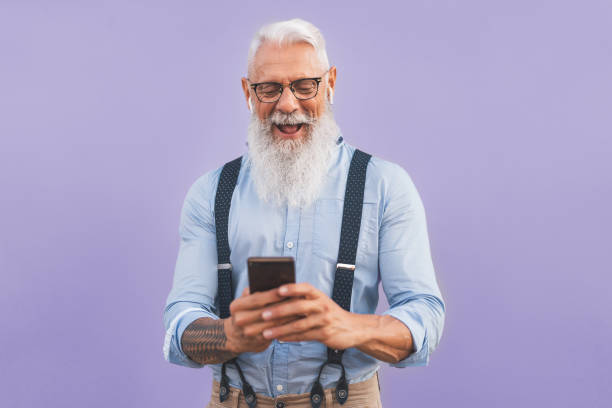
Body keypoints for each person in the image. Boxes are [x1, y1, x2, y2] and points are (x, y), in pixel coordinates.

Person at [163, 18, 445, 408]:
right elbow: (181, 319)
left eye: (303, 85)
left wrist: (349, 326)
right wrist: (230, 335)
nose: (287, 104)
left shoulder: (385, 187)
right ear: (248, 92)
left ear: (330, 84)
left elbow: (424, 316)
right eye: (270, 88)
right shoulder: (210, 193)